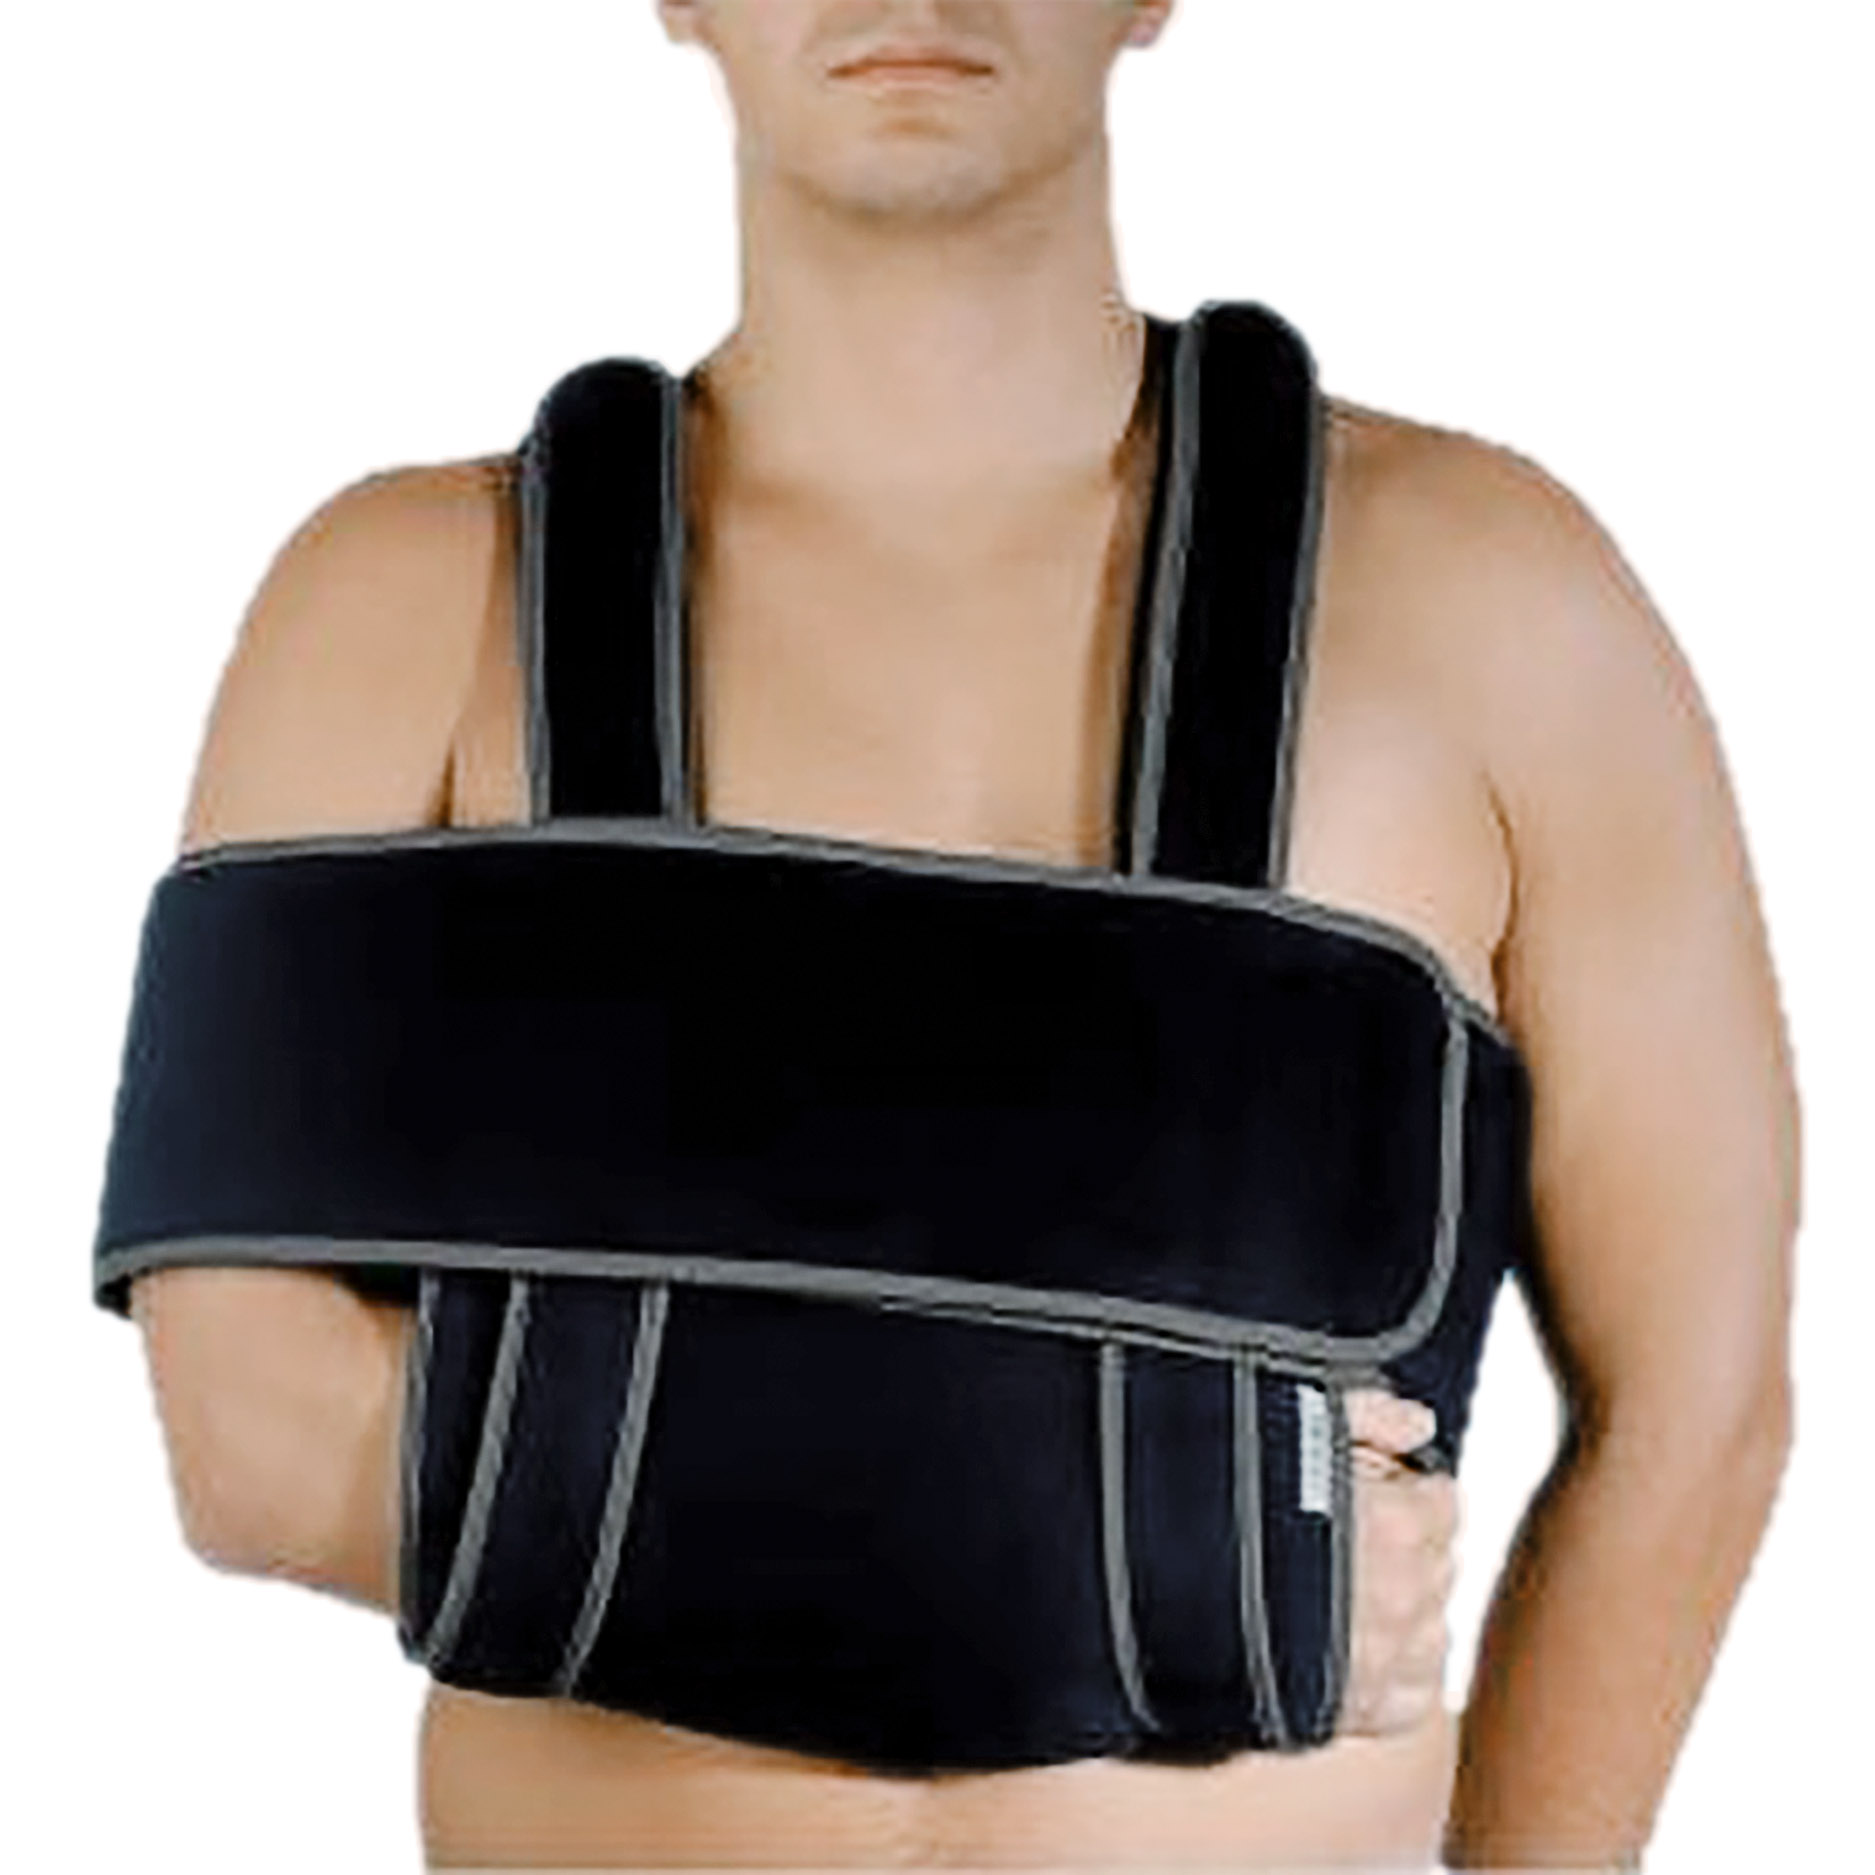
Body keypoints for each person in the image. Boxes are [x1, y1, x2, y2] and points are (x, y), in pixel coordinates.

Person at [125, 2, 1796, 1868]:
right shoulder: (406, 604)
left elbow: (1699, 1404)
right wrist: (1188, 1563)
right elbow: (247, 1441)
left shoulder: (1498, 606)